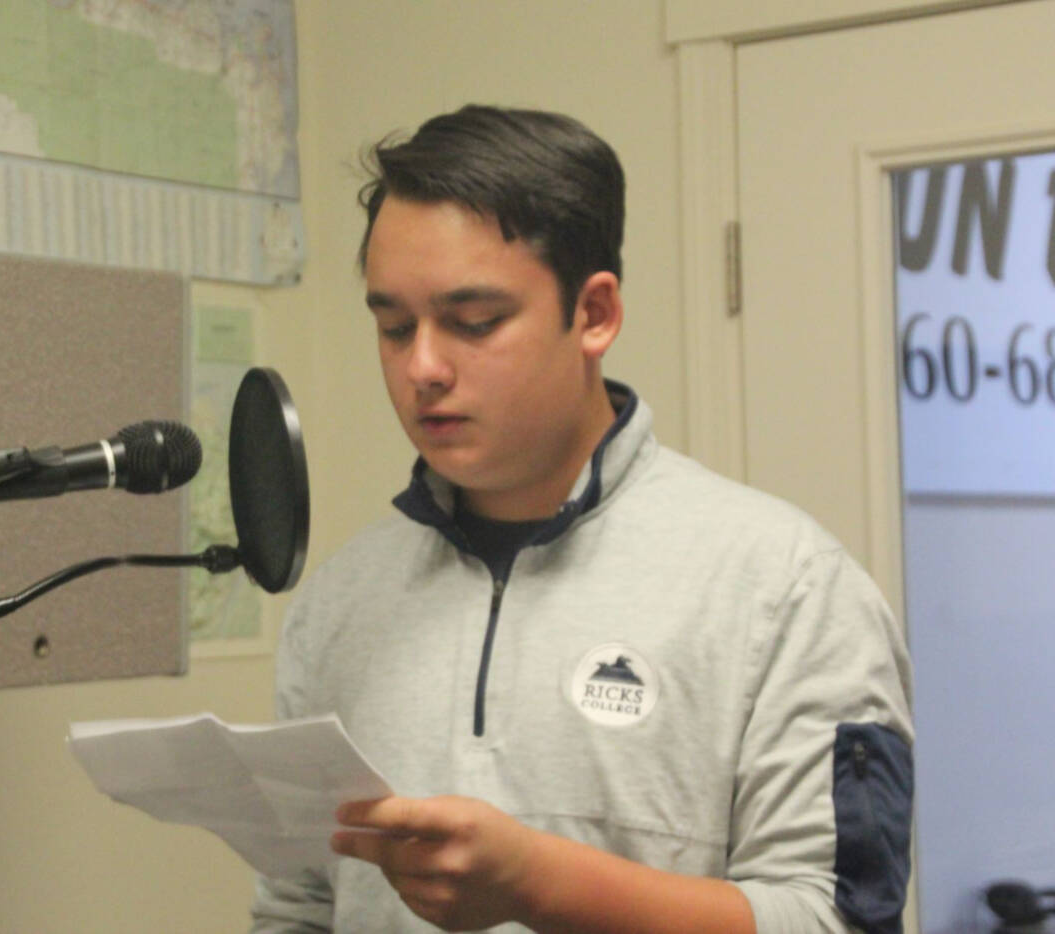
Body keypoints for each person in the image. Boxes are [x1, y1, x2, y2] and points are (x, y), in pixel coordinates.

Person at [250, 105, 914, 933]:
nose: (422, 367)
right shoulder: (339, 603)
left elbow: (839, 918)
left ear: (594, 314)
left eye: (474, 322)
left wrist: (541, 883)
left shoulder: (787, 585)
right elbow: (300, 907)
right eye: (393, 327)